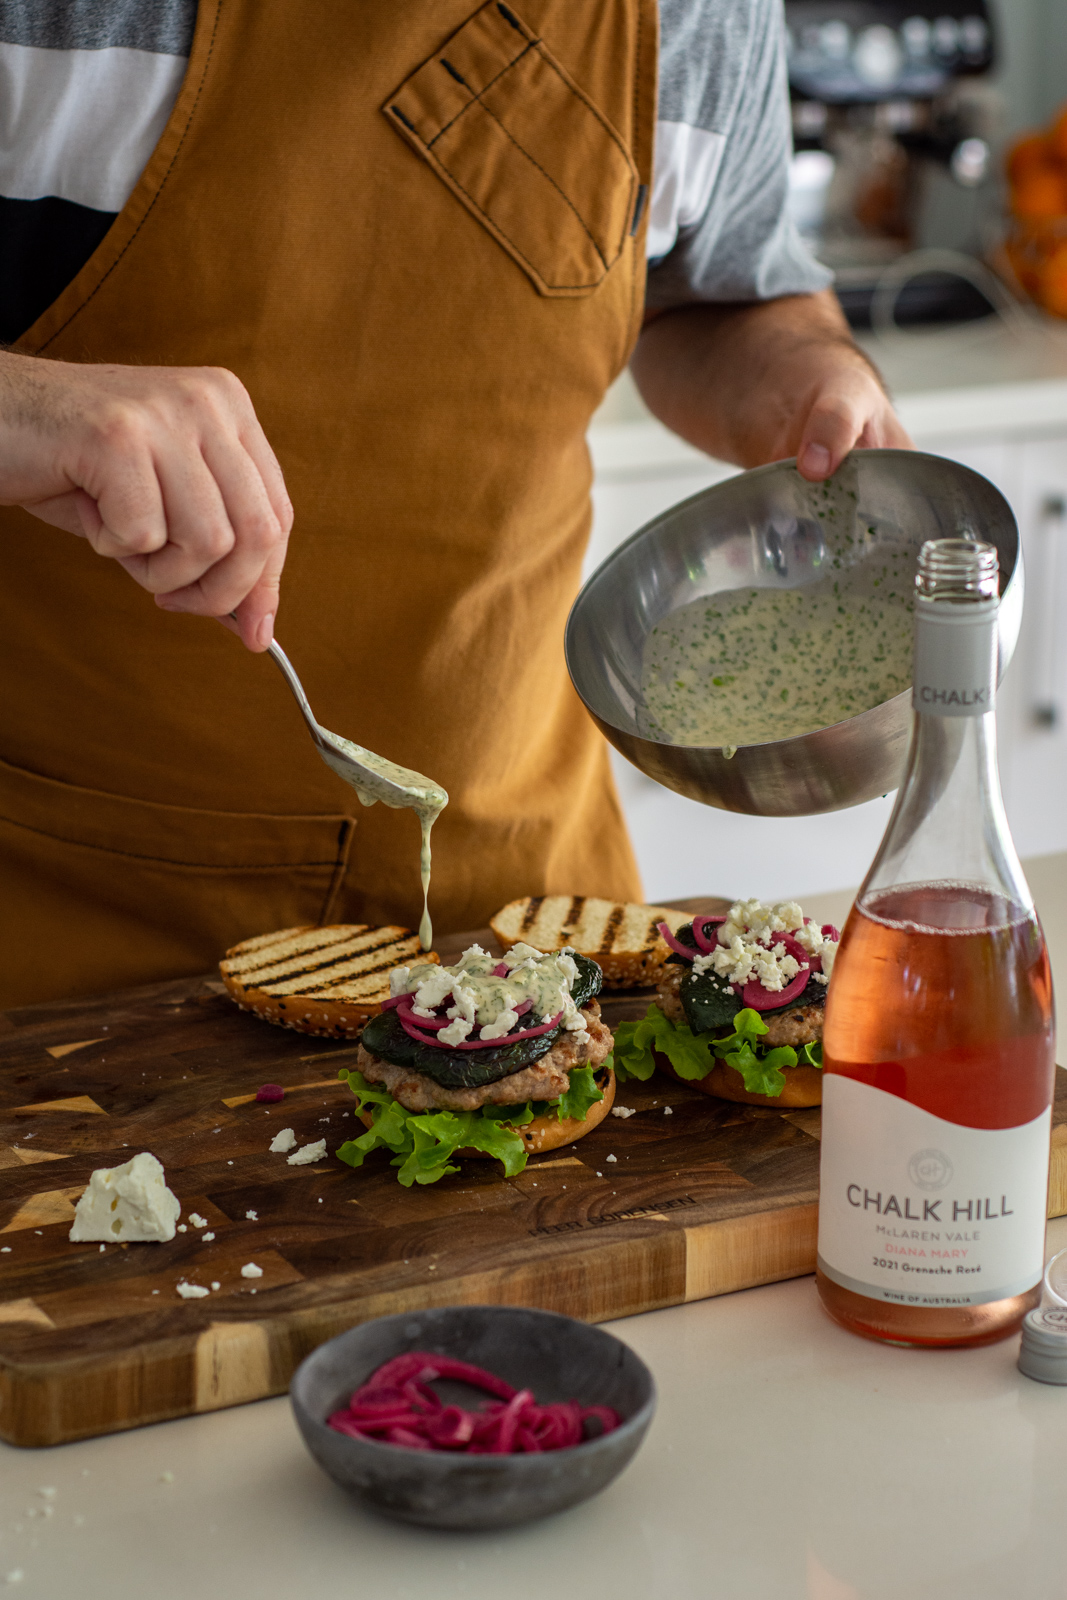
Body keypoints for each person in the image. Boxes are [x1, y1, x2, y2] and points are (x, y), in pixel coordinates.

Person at [0, 0, 909, 1007]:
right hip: (67, 922)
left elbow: (722, 293)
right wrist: (28, 409)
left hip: (519, 892)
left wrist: (801, 372)